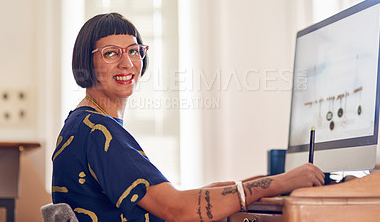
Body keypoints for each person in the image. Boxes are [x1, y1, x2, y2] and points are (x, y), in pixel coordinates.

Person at [52, 12, 325, 222]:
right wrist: (280, 183)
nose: (127, 63)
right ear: (86, 62)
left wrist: (260, 183)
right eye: (111, 53)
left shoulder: (81, 123)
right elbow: (175, 208)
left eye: (134, 51)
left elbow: (167, 202)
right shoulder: (98, 132)